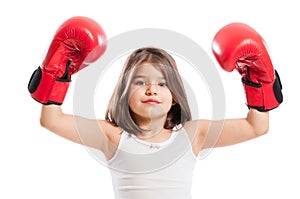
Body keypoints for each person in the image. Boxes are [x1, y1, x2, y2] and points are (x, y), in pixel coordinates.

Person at [28, 16, 283, 199]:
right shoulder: (113, 136)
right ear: (124, 94)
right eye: (141, 82)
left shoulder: (192, 135)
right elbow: (52, 120)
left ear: (174, 96)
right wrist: (57, 71)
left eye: (162, 83)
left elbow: (256, 126)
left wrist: (258, 81)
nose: (152, 89)